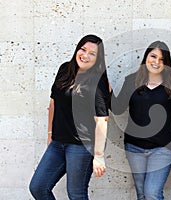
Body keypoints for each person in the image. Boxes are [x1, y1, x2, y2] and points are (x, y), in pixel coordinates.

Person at [110, 41, 171, 200]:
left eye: (162, 59)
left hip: (163, 149)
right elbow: (118, 108)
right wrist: (106, 88)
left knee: (152, 193)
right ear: (146, 57)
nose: (156, 62)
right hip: (134, 147)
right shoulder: (131, 81)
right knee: (142, 194)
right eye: (153, 56)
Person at [29, 34, 110, 200]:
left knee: (76, 194)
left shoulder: (97, 80)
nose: (85, 55)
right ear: (77, 49)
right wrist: (50, 134)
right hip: (58, 143)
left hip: (81, 146)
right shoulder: (65, 69)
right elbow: (53, 103)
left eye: (92, 54)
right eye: (83, 49)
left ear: (97, 59)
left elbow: (102, 120)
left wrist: (99, 156)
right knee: (38, 187)